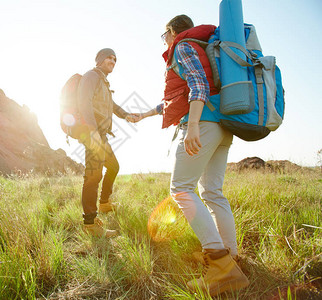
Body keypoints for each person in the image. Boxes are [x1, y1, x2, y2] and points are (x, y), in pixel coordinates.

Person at [135, 15, 250, 296]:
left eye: (165, 36)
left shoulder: (184, 46)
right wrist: (145, 115)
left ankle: (221, 266)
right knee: (212, 191)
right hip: (223, 125)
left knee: (181, 189)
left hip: (203, 123)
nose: (166, 42)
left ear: (173, 32)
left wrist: (194, 126)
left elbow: (197, 85)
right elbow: (177, 97)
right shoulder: (205, 46)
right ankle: (230, 257)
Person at [77, 48, 138, 238]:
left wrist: (126, 115)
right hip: (93, 133)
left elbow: (112, 106)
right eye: (109, 57)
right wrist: (92, 131)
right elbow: (83, 102)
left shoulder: (103, 82)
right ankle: (90, 224)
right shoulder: (91, 76)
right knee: (93, 176)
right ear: (100, 60)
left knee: (113, 167)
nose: (113, 60)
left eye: (115, 58)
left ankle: (104, 203)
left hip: (101, 134)